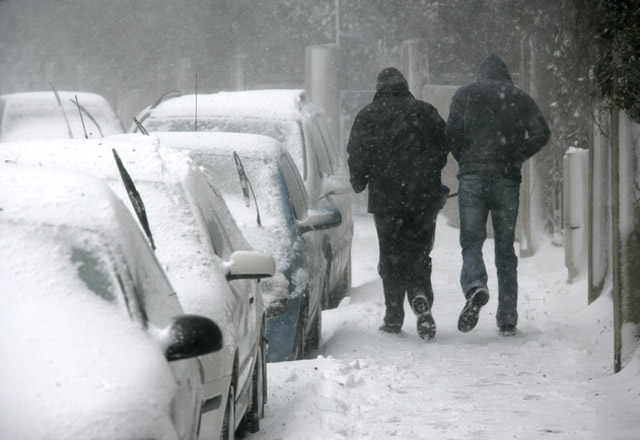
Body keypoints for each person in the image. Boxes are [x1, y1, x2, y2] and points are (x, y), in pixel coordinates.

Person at [446, 54, 550, 337]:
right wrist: (516, 156)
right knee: (505, 249)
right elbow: (542, 133)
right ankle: (507, 318)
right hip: (506, 180)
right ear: (506, 76)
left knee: (471, 242)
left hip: (472, 179)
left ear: (480, 75)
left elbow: (450, 134)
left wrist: (466, 160)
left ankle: (476, 285)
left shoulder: (464, 94)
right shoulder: (519, 96)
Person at [347, 67, 449, 340]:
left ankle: (393, 316)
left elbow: (357, 154)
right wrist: (429, 171)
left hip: (386, 200)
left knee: (391, 256)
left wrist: (360, 180)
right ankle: (420, 295)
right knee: (418, 252)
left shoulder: (368, 116)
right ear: (405, 86)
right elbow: (443, 147)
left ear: (379, 88)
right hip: (423, 198)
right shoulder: (426, 112)